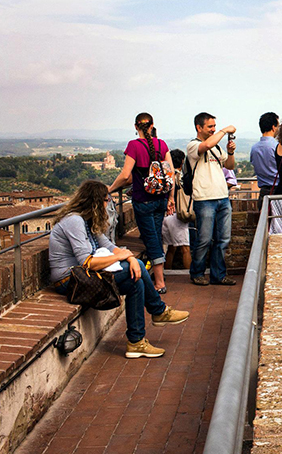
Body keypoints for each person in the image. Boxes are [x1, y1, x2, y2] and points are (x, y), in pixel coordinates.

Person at [49, 180, 189, 359]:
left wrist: (129, 258)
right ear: (95, 202)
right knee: (138, 268)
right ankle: (158, 311)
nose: (108, 204)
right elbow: (87, 262)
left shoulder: (88, 220)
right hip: (69, 280)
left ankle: (136, 343)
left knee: (135, 282)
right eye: (106, 200)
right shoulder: (74, 221)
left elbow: (108, 246)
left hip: (83, 276)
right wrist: (124, 258)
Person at [109, 113, 174, 294]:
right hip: (160, 199)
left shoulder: (134, 146)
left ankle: (160, 283)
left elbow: (125, 175)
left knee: (151, 240)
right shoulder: (162, 145)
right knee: (156, 237)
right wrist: (171, 198)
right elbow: (171, 175)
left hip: (143, 200)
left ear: (136, 126)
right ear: (152, 125)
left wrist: (110, 189)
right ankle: (158, 274)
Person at [186, 112, 237, 286]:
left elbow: (229, 166)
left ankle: (218, 275)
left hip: (223, 197)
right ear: (199, 127)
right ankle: (197, 273)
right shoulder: (193, 145)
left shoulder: (217, 148)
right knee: (204, 239)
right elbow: (206, 145)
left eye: (215, 126)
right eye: (210, 126)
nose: (213, 129)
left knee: (223, 239)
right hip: (204, 199)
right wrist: (224, 130)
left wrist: (230, 153)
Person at [162, 149, 191, 270]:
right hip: (176, 215)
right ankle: (189, 274)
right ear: (182, 162)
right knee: (185, 248)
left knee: (171, 248)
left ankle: (167, 272)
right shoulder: (180, 177)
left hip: (165, 215)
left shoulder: (166, 175)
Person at [249, 112, 280, 211]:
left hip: (263, 193)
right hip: (278, 191)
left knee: (264, 219)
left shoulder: (254, 148)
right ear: (273, 127)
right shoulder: (278, 147)